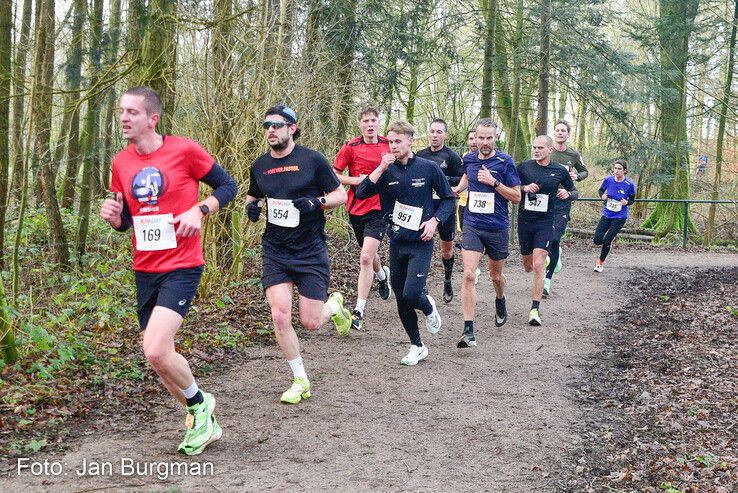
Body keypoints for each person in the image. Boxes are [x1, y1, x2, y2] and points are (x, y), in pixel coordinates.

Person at [100, 86, 237, 455]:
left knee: (157, 350)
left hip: (183, 264)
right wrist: (115, 219)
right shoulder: (120, 162)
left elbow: (228, 186)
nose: (124, 118)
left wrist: (201, 209)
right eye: (121, 111)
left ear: (152, 118)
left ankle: (199, 405)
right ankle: (202, 420)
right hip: (145, 267)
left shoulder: (184, 150)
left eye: (132, 112)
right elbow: (127, 218)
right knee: (158, 358)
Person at [246, 104, 351, 404]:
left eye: (277, 125)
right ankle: (300, 379)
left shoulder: (312, 159)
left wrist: (316, 203)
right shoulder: (260, 165)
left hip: (310, 250)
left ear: (292, 128)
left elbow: (340, 195)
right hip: (276, 250)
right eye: (266, 125)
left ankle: (335, 306)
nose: (270, 130)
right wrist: (251, 207)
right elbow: (253, 195)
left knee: (311, 322)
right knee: (280, 316)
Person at [356, 121, 454, 365]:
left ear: (410, 141)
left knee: (411, 294)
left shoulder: (428, 168)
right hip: (397, 241)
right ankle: (417, 345)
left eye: (398, 141)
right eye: (390, 141)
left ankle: (429, 307)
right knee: (401, 297)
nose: (393, 146)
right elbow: (361, 194)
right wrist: (379, 167)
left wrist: (434, 221)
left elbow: (448, 200)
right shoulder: (386, 170)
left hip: (421, 241)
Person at [452, 119, 520, 347]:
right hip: (472, 224)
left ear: (496, 137)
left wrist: (494, 183)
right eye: (481, 138)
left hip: (497, 226)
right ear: (475, 138)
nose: (485, 142)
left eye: (489, 138)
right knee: (469, 274)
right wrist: (458, 188)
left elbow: (517, 197)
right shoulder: (468, 159)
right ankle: (468, 330)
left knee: (495, 276)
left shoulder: (505, 162)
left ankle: (500, 299)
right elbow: (466, 176)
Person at [333, 107, 392, 331]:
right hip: (356, 208)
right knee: (370, 256)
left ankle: (358, 311)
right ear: (359, 124)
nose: (370, 124)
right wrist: (357, 180)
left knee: (365, 257)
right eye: (365, 121)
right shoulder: (351, 147)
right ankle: (381, 274)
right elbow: (335, 174)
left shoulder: (388, 145)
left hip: (380, 209)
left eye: (373, 120)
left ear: (379, 123)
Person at [517, 135, 577, 326]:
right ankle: (551, 257)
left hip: (545, 223)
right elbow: (509, 188)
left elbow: (575, 191)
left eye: (540, 148)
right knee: (527, 266)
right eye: (534, 147)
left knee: (538, 265)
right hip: (525, 222)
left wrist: (567, 193)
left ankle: (534, 309)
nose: (536, 151)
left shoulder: (559, 171)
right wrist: (524, 187)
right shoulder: (524, 167)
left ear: (550, 150)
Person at [416, 118, 464, 303]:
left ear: (445, 134)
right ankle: (422, 283)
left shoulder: (451, 156)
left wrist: (442, 179)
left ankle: (447, 279)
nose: (434, 135)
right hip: (425, 207)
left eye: (439, 132)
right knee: (421, 246)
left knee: (446, 250)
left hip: (445, 207)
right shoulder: (420, 155)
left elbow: (461, 178)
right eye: (432, 131)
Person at [545, 119, 588, 296]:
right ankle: (555, 254)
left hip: (563, 201)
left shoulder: (573, 154)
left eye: (563, 130)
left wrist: (576, 177)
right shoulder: (547, 151)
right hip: (546, 199)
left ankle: (547, 281)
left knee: (554, 240)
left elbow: (585, 171)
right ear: (554, 133)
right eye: (557, 130)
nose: (560, 133)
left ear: (568, 134)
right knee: (546, 240)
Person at [593, 160, 636, 272]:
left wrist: (627, 202)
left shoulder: (629, 184)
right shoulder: (608, 180)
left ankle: (600, 263)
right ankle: (608, 243)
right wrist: (602, 196)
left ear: (625, 170)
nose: (616, 171)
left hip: (620, 217)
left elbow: (632, 200)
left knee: (607, 240)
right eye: (615, 168)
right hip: (607, 214)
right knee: (597, 240)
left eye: (619, 169)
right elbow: (601, 190)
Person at [456, 129, 478, 233]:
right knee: (465, 234)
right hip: (464, 202)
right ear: (467, 141)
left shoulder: (489, 159)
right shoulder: (463, 158)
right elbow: (459, 177)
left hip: (481, 204)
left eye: (476, 138)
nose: (474, 141)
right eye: (471, 139)